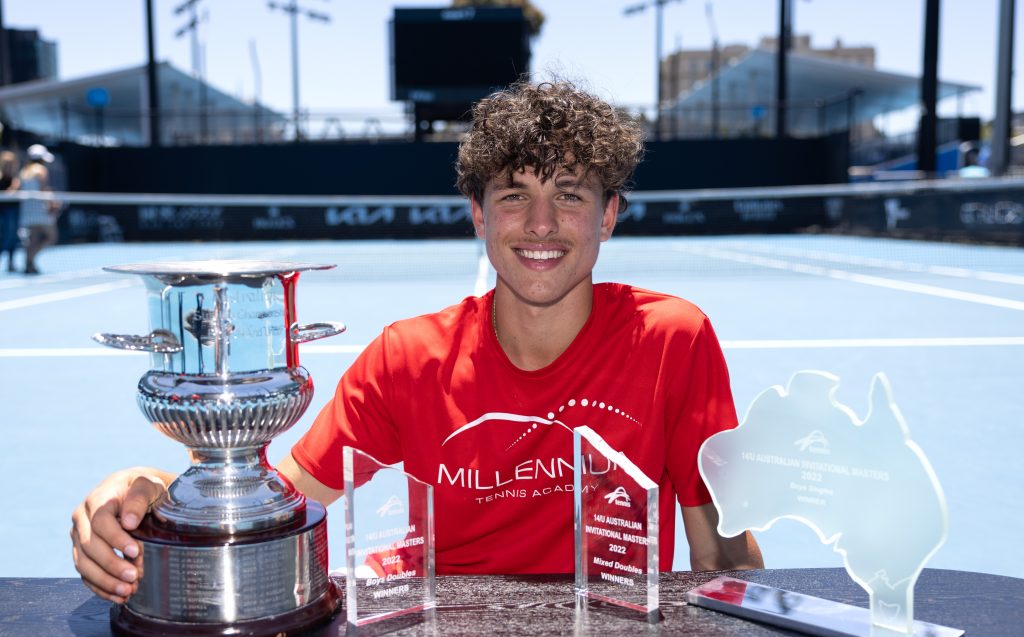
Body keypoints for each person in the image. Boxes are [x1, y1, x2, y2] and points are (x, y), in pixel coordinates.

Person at [71, 80, 763, 604]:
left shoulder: (673, 338)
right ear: (479, 216)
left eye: (572, 195)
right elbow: (276, 496)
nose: (542, 223)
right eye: (515, 195)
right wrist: (157, 493)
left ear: (609, 215)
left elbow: (719, 549)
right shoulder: (409, 358)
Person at [17, 144, 60, 275]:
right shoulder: (41, 170)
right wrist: (52, 203)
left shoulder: (23, 172)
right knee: (51, 237)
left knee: (33, 239)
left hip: (27, 210)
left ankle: (29, 264)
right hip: (40, 210)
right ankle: (29, 261)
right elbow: (44, 190)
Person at [0, 150, 20, 273]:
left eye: (12, 164)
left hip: (13, 211)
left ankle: (11, 263)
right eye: (7, 163)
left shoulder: (15, 179)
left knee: (13, 238)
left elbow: (13, 192)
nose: (10, 166)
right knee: (5, 237)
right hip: (2, 211)